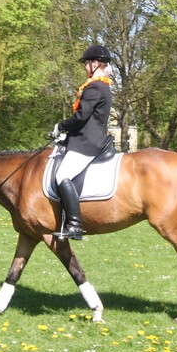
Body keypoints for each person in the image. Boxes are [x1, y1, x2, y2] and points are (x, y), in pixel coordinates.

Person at [50, 44, 114, 241]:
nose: (85, 67)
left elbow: (81, 117)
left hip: (87, 143)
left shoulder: (95, 87)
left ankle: (75, 225)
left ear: (95, 63)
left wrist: (60, 126)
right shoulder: (103, 87)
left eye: (86, 63)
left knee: (62, 175)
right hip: (88, 139)